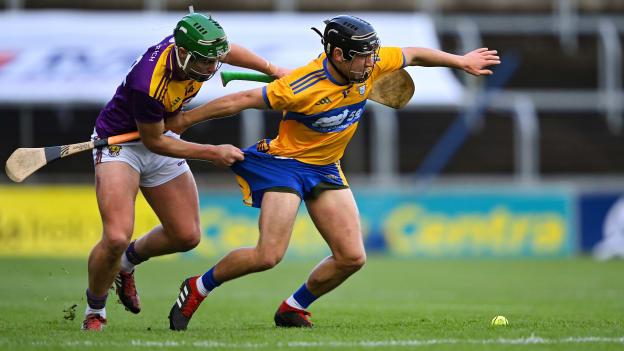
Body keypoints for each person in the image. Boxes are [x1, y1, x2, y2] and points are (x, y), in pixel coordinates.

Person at [164, 15, 501, 330]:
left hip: (325, 168)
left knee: (352, 257)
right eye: (362, 57)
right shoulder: (301, 87)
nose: (371, 63)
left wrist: (460, 61)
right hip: (285, 167)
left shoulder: (371, 64)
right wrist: (183, 120)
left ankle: (292, 307)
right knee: (267, 255)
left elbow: (414, 55)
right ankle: (198, 286)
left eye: (373, 55)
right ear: (338, 54)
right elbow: (242, 100)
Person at [81, 12, 289, 331]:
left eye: (214, 61)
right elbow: (154, 142)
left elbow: (226, 50)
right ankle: (95, 311)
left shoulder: (198, 48)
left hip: (162, 136)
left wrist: (272, 70)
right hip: (123, 146)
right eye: (204, 62)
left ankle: (128, 263)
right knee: (116, 236)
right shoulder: (148, 82)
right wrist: (211, 152)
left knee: (186, 235)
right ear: (182, 53)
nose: (211, 68)